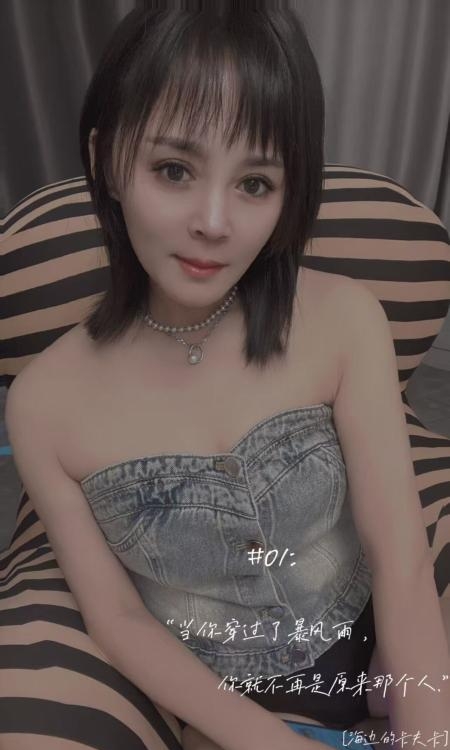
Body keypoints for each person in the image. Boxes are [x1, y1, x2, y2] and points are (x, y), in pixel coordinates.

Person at [5, 3, 449, 750]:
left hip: (378, 657)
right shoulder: (43, 405)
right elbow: (119, 619)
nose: (214, 222)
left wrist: (427, 731)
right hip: (216, 709)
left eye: (255, 183)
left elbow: (400, 557)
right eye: (174, 170)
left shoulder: (345, 318)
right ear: (107, 160)